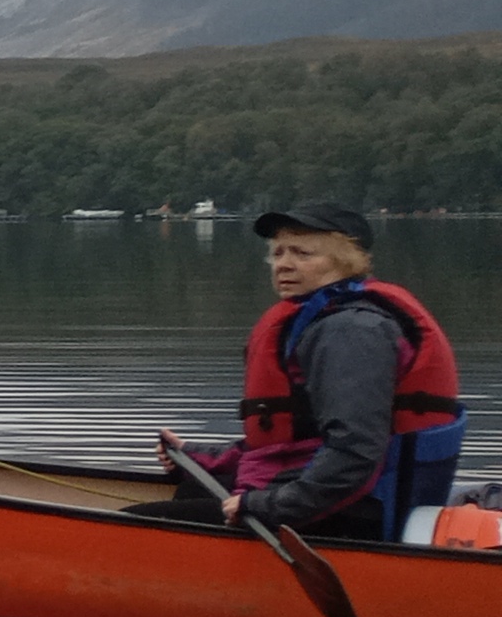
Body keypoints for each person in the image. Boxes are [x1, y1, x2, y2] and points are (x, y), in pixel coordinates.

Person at [138, 204, 466, 542]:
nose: (284, 264)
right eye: (278, 252)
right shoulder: (325, 318)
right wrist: (197, 455)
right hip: (332, 494)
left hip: (358, 509)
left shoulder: (350, 330)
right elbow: (294, 438)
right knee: (192, 490)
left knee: (136, 523)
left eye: (303, 253)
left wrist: (269, 506)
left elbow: (355, 452)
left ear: (345, 260)